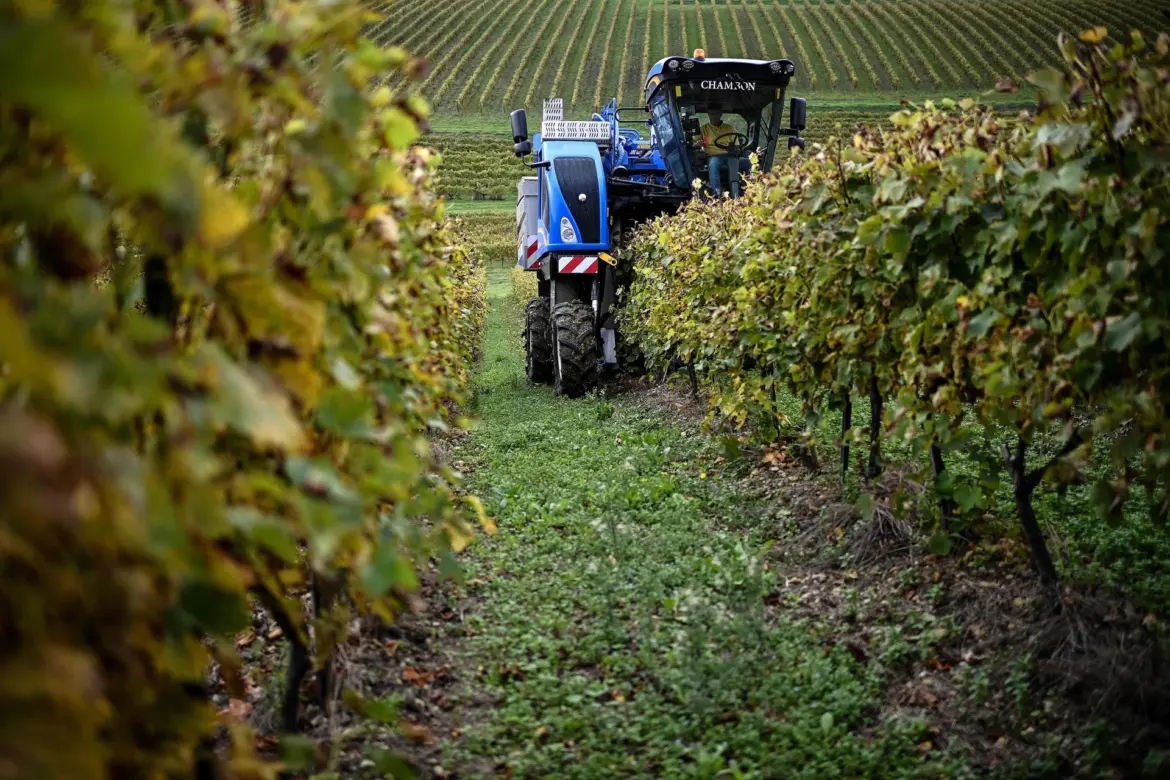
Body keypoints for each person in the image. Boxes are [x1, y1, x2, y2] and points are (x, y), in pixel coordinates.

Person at [700, 110, 740, 196]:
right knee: (714, 163)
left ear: (720, 114)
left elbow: (737, 145)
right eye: (711, 114)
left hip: (730, 155)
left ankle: (751, 190)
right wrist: (697, 144)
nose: (713, 116)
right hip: (713, 156)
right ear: (708, 114)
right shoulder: (704, 129)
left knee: (748, 162)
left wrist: (734, 148)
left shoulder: (729, 128)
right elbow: (695, 142)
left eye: (715, 113)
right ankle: (717, 195)